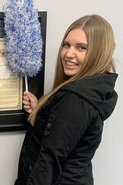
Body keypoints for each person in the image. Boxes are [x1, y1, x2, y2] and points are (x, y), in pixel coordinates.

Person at [14, 14, 118, 185]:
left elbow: (48, 161)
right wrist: (41, 113)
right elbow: (66, 137)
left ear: (98, 53)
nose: (69, 54)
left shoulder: (75, 99)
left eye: (81, 48)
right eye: (66, 45)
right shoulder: (91, 90)